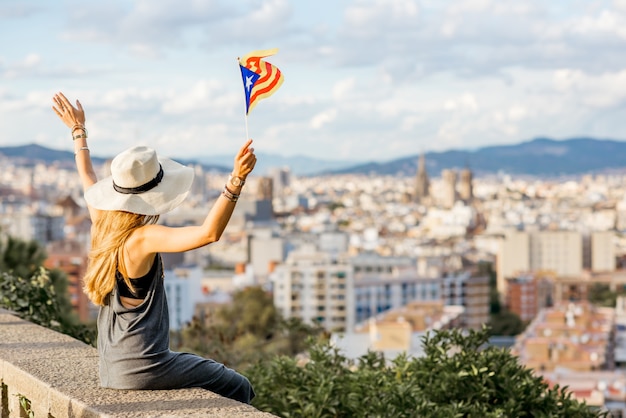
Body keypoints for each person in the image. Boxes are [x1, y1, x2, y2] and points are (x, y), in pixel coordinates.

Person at [51, 92, 256, 403]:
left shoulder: (103, 226)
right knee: (238, 385)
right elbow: (208, 233)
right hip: (147, 365)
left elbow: (87, 177)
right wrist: (236, 179)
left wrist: (78, 131)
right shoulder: (142, 238)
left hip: (112, 369)